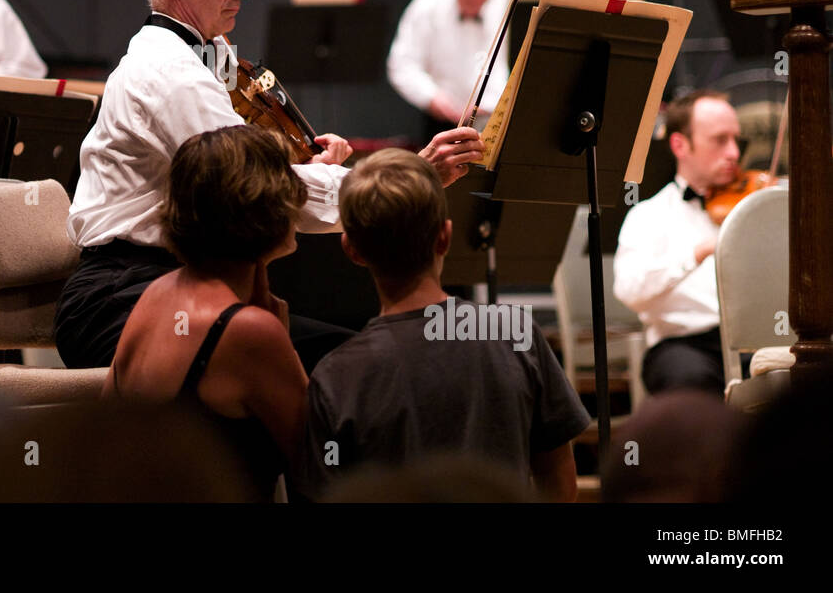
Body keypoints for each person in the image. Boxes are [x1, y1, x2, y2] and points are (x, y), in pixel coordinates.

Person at [54, 0, 485, 374]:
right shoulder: (169, 72)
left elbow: (258, 175)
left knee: (356, 361)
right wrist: (412, 177)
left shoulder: (206, 57)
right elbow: (254, 193)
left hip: (184, 288)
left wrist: (301, 171)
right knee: (357, 368)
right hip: (124, 301)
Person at [291, 148, 590, 502]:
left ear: (352, 250)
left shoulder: (335, 374)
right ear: (445, 236)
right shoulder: (513, 332)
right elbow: (558, 473)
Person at [105, 126, 310, 501]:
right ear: (266, 205)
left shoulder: (156, 294)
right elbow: (321, 464)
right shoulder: (248, 330)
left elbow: (103, 435)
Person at [614, 89, 742, 394]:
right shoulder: (648, 216)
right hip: (684, 346)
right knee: (688, 379)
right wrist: (698, 253)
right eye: (720, 140)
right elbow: (630, 291)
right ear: (680, 144)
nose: (734, 153)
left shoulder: (748, 209)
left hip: (752, 341)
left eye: (736, 139)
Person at [386, 0, 509, 135]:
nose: (475, 6)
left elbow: (499, 64)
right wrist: (431, 97)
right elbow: (403, 64)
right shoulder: (427, 5)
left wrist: (489, 103)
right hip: (441, 119)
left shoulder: (503, 1)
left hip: (490, 116)